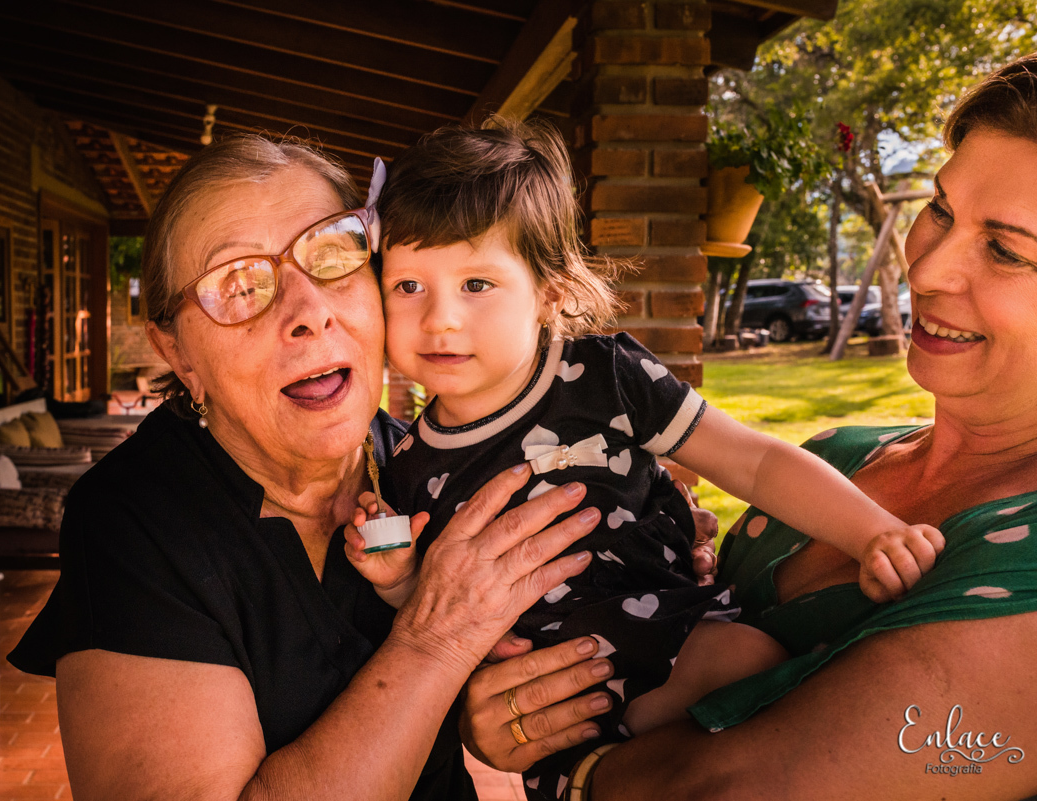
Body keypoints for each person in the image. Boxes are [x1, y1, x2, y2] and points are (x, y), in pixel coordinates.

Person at [459, 54, 1037, 801]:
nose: (925, 271)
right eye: (941, 209)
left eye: (1006, 250)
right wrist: (520, 696)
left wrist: (574, 770)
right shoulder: (838, 456)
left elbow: (738, 789)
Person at [341, 121, 942, 799]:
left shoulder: (604, 379)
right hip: (558, 708)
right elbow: (433, 604)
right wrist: (396, 580)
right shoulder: (406, 463)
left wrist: (870, 530)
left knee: (753, 664)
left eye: (476, 283)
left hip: (676, 640)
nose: (440, 318)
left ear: (549, 290)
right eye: (409, 286)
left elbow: (751, 461)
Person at [6, 134, 611, 801]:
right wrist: (438, 646)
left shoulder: (430, 466)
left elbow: (531, 665)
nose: (308, 312)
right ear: (178, 353)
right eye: (238, 285)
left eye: (332, 253)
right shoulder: (132, 521)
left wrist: (634, 554)